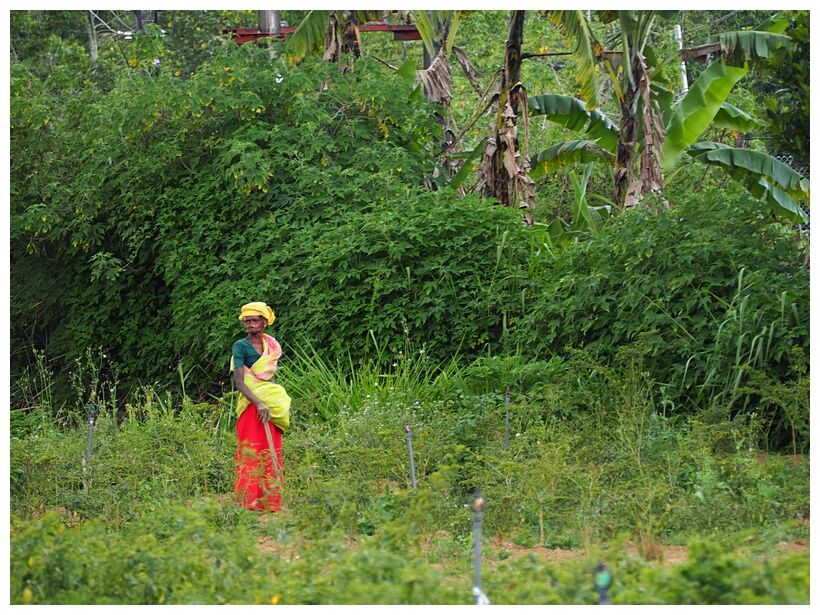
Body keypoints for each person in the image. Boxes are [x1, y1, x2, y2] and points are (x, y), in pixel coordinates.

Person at [231, 301, 291, 512]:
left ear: (265, 322)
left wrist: (272, 403)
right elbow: (240, 382)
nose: (251, 324)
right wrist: (259, 403)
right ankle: (248, 503)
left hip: (269, 404)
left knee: (270, 450)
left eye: (255, 320)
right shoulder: (240, 346)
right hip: (251, 405)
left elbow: (270, 380)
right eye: (247, 321)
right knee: (251, 452)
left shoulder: (271, 345)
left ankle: (271, 502)